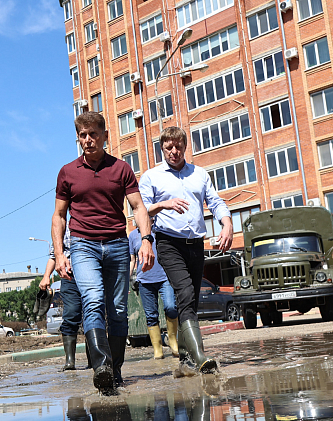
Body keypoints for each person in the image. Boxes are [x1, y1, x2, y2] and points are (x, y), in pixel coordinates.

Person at [53, 111, 154, 395]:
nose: (87, 140)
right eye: (82, 135)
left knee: (118, 310)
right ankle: (101, 368)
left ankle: (116, 372)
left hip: (117, 245)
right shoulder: (67, 172)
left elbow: (138, 207)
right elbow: (59, 216)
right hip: (83, 244)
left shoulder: (121, 169)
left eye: (93, 134)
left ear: (105, 136)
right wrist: (60, 254)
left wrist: (146, 240)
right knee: (93, 299)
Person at [138, 126, 233, 375]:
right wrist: (164, 204)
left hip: (196, 244)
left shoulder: (199, 174)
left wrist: (227, 224)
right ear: (162, 149)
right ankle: (200, 356)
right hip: (169, 243)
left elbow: (215, 201)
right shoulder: (152, 176)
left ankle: (186, 360)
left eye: (178, 146)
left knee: (190, 300)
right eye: (169, 147)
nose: (174, 151)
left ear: (185, 146)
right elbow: (141, 211)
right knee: (185, 291)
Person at [129, 224, 179, 360]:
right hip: (144, 280)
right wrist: (130, 277)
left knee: (171, 307)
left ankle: (173, 341)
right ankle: (158, 349)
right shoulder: (133, 235)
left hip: (164, 277)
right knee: (151, 315)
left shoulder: (160, 230)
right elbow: (132, 259)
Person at [39, 216, 83, 371]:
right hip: (69, 276)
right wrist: (46, 277)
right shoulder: (62, 229)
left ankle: (95, 360)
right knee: (71, 314)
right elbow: (53, 256)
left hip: (91, 274)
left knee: (93, 313)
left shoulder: (90, 222)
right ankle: (70, 361)